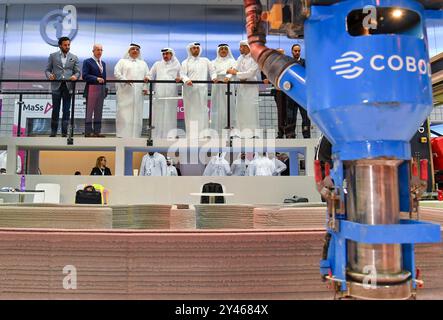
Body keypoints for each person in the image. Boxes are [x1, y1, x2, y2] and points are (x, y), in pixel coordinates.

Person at [45, 36, 80, 137]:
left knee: (66, 110)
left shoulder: (74, 57)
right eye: (65, 45)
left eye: (68, 45)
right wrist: (49, 75)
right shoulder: (52, 56)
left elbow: (78, 72)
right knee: (55, 109)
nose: (67, 46)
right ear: (60, 45)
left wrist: (75, 76)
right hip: (56, 85)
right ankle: (53, 132)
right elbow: (47, 70)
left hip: (68, 86)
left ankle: (64, 133)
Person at [180, 42, 216, 138]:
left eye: (197, 48)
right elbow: (182, 74)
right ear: (190, 50)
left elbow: (212, 71)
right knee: (190, 113)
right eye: (194, 48)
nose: (196, 50)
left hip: (202, 91)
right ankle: (192, 135)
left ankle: (203, 135)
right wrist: (187, 80)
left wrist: (214, 78)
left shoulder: (205, 61)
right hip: (190, 92)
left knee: (202, 112)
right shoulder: (185, 62)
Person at [114, 43, 150, 138]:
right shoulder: (122, 61)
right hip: (125, 93)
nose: (135, 51)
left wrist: (145, 87)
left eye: (137, 49)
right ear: (128, 51)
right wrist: (125, 80)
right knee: (124, 114)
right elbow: (116, 73)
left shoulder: (143, 63)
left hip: (138, 94)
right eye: (133, 49)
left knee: (137, 114)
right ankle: (122, 135)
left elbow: (148, 76)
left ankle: (136, 135)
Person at [227, 40, 261, 139]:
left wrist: (236, 74)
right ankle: (241, 132)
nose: (240, 49)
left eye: (242, 47)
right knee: (241, 109)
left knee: (251, 110)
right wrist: (229, 76)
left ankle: (253, 133)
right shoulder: (240, 58)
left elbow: (251, 73)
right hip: (241, 88)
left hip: (251, 88)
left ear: (247, 47)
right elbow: (234, 69)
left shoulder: (254, 58)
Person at [150, 48, 182, 139]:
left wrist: (179, 80)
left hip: (171, 94)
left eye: (167, 54)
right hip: (159, 94)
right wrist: (146, 84)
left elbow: (181, 78)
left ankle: (170, 136)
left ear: (171, 55)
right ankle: (157, 136)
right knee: (158, 114)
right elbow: (150, 75)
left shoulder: (177, 65)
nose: (165, 56)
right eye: (163, 54)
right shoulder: (157, 64)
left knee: (170, 114)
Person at [210, 44, 237, 136]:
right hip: (217, 86)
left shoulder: (233, 61)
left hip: (228, 86)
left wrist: (227, 76)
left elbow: (233, 71)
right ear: (218, 51)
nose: (223, 50)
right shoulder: (213, 62)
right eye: (221, 49)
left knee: (229, 107)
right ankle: (217, 131)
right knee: (217, 107)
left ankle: (231, 130)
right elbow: (213, 72)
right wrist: (223, 73)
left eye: (225, 49)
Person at [82, 44, 107, 138]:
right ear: (93, 51)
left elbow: (104, 78)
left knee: (98, 112)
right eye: (97, 50)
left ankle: (97, 131)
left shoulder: (103, 63)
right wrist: (96, 78)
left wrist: (105, 88)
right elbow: (84, 75)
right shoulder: (87, 62)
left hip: (100, 90)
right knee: (89, 112)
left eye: (101, 50)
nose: (99, 52)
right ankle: (88, 132)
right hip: (91, 89)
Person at [286, 44, 311, 139]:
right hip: (291, 94)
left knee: (305, 117)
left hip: (302, 95)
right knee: (290, 117)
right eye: (295, 51)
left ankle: (307, 136)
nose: (297, 52)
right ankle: (290, 136)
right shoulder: (287, 63)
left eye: (298, 51)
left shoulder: (305, 63)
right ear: (292, 51)